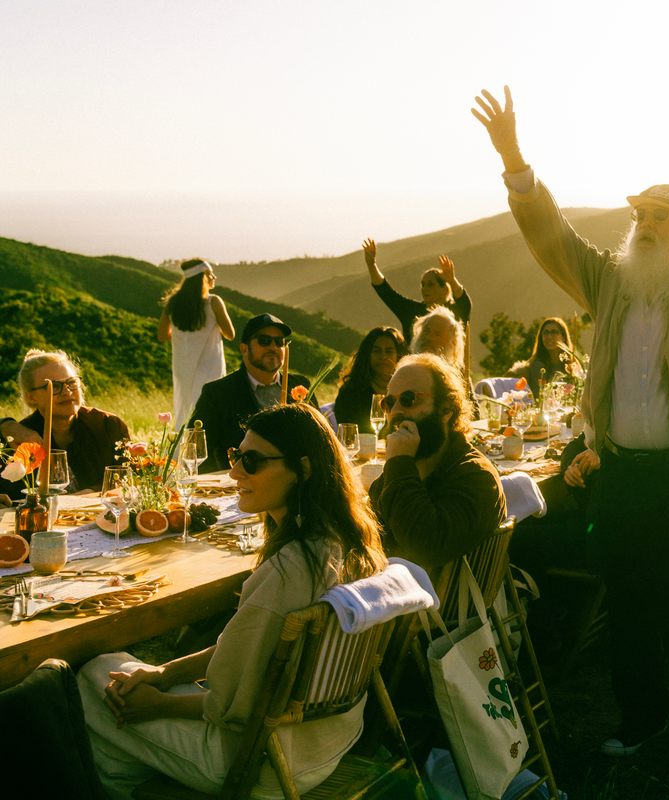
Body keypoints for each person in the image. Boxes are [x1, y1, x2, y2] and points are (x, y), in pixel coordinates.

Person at [474, 83, 669, 769]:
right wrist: (515, 162)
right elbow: (551, 236)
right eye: (639, 214)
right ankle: (644, 716)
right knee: (628, 605)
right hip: (621, 473)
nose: (644, 223)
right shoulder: (611, 280)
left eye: (659, 215)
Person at [77, 403, 388, 799]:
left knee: (95, 674)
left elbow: (231, 705)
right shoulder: (350, 543)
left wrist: (156, 705)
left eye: (252, 461)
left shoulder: (289, 572)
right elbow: (253, 652)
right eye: (236, 456)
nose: (235, 472)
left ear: (303, 469)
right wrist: (163, 674)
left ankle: (123, 784)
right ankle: (137, 782)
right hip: (328, 740)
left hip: (263, 759)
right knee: (122, 695)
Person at [368, 353, 505, 581]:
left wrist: (400, 463)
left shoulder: (476, 477)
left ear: (446, 409)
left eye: (409, 399)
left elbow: (425, 545)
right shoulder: (408, 468)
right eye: (389, 402)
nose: (396, 412)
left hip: (437, 613)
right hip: (393, 600)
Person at [190, 314, 312, 472]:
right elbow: (199, 453)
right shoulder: (217, 393)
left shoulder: (301, 386)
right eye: (264, 340)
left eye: (279, 342)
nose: (273, 347)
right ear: (244, 348)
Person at [1, 350, 129, 494]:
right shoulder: (18, 439)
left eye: (71, 382)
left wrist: (88, 494)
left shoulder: (109, 426)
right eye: (54, 386)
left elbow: (128, 481)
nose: (67, 392)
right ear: (31, 397)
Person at [157, 259, 236, 424]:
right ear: (203, 277)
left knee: (185, 412)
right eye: (210, 274)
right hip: (210, 367)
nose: (214, 276)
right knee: (211, 410)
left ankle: (182, 447)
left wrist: (185, 339)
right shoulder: (213, 302)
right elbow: (230, 334)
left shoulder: (173, 303)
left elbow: (162, 335)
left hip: (183, 367)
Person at [362, 239, 472, 346]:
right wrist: (372, 265)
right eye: (423, 284)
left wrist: (452, 281)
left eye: (431, 284)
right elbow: (385, 291)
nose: (425, 289)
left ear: (444, 289)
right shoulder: (411, 311)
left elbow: (464, 302)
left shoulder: (454, 312)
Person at [333, 326, 407, 432]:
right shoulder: (351, 392)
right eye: (377, 351)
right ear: (367, 355)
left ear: (399, 355)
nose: (383, 357)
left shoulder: (408, 392)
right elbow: (348, 433)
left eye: (389, 351)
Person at [509, 316, 582, 398]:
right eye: (546, 333)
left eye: (554, 332)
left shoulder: (573, 367)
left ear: (563, 337)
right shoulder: (532, 367)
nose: (549, 336)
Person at [410, 307, 466, 375]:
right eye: (427, 331)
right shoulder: (405, 373)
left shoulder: (454, 383)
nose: (429, 338)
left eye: (437, 334)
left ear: (453, 343)